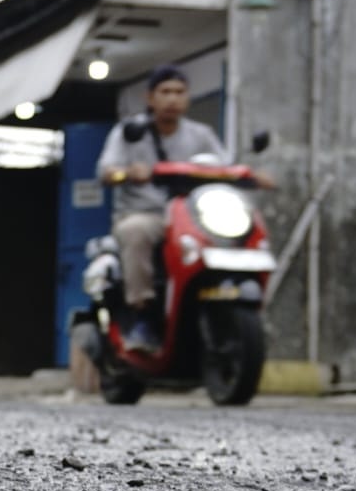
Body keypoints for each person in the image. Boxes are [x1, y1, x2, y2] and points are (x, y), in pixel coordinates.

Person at [97, 64, 273, 353]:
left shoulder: (200, 134)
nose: (172, 99)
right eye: (165, 92)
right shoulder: (129, 132)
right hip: (148, 215)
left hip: (194, 216)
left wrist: (251, 176)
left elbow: (224, 166)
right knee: (136, 231)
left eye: (179, 92)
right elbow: (105, 171)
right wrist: (127, 172)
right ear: (150, 98)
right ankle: (141, 314)